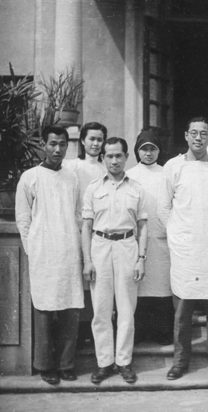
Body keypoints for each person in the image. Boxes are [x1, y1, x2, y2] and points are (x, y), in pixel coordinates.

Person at [159, 116, 208, 381]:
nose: (199, 138)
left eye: (204, 134)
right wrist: (178, 236)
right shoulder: (173, 167)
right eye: (194, 133)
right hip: (184, 248)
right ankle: (180, 361)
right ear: (186, 136)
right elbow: (163, 208)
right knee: (182, 309)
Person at [15, 126, 84, 385]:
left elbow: (78, 214)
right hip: (43, 251)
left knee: (70, 306)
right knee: (44, 307)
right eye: (53, 144)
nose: (57, 149)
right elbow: (23, 219)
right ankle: (45, 365)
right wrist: (34, 248)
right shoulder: (29, 177)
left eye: (62, 144)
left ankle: (67, 364)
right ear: (44, 144)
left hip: (69, 248)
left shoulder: (72, 178)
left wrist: (77, 246)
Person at [81, 137, 148, 384]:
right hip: (100, 248)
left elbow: (143, 226)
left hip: (127, 246)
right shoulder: (93, 188)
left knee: (126, 309)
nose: (114, 160)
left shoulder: (136, 188)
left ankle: (123, 362)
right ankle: (104, 362)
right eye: (109, 156)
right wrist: (87, 260)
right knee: (100, 309)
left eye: (118, 155)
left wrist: (141, 258)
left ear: (126, 156)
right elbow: (86, 228)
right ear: (103, 158)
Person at [127, 129, 173, 345]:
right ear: (137, 151)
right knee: (139, 286)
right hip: (136, 241)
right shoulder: (130, 175)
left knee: (162, 287)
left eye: (152, 149)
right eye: (144, 149)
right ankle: (141, 332)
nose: (148, 153)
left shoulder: (166, 174)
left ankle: (162, 332)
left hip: (162, 239)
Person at [64, 121, 106, 347]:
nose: (96, 143)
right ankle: (78, 331)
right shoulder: (72, 166)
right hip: (76, 229)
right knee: (77, 279)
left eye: (100, 139)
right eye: (92, 139)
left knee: (95, 280)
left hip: (99, 231)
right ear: (82, 141)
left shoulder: (106, 168)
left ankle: (92, 328)